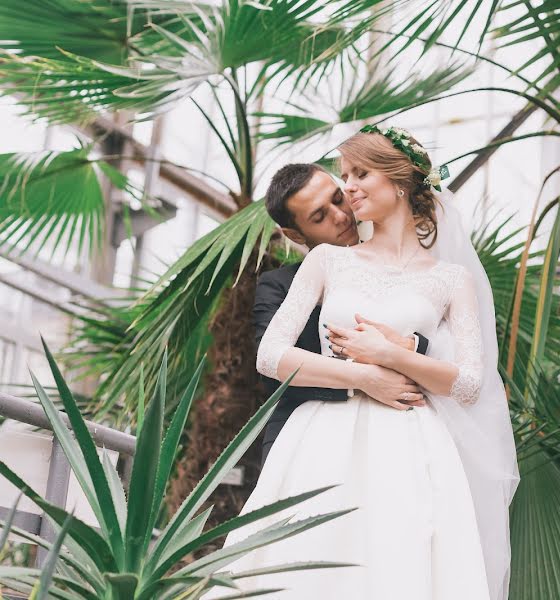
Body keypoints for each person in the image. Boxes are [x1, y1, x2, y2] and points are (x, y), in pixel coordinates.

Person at [207, 126, 518, 600]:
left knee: (399, 566)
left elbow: (471, 383)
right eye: (343, 176)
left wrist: (395, 354)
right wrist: (367, 376)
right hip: (322, 437)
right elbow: (270, 355)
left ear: (399, 182)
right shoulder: (326, 262)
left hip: (411, 440)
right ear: (297, 232)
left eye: (358, 175)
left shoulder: (453, 280)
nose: (347, 190)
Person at [255, 163, 432, 465]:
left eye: (337, 199)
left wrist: (411, 346)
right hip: (303, 438)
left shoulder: (406, 267)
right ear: (294, 233)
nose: (340, 216)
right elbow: (273, 373)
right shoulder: (278, 285)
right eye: (319, 216)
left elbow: (434, 340)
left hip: (399, 431)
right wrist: (364, 379)